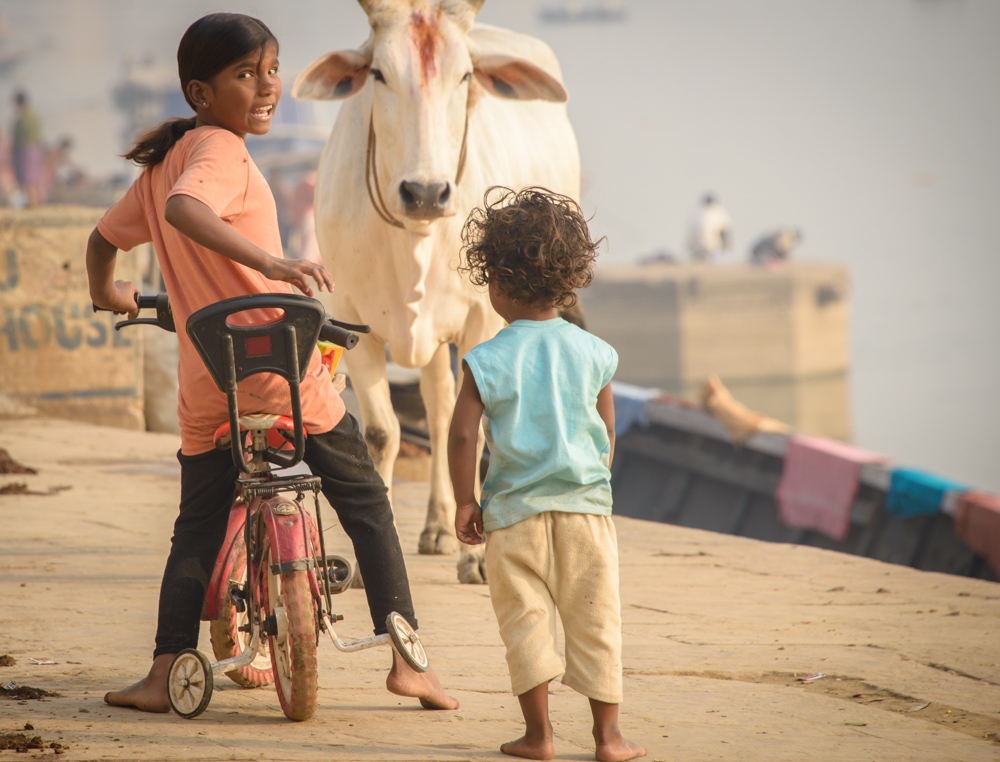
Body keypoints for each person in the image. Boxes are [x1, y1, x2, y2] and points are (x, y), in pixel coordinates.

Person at [85, 12, 456, 715]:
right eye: (244, 75)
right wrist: (272, 262)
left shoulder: (157, 170)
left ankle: (166, 669)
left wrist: (110, 294)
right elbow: (194, 210)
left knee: (195, 524)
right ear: (200, 93)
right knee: (367, 502)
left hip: (208, 382)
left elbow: (103, 242)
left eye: (272, 70)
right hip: (282, 371)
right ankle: (407, 660)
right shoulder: (219, 151)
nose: (267, 87)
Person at [448, 186, 646, 762]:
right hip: (587, 514)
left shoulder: (486, 359)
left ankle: (539, 738)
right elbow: (606, 435)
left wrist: (466, 501)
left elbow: (464, 436)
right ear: (569, 280)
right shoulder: (596, 353)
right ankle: (608, 739)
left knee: (526, 624)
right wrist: (591, 482)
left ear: (499, 284)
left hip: (513, 518)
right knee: (596, 622)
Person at [11, 90, 46, 206]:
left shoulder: (22, 117)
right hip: (36, 149)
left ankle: (33, 204)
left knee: (29, 180)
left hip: (26, 151)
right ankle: (40, 203)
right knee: (36, 179)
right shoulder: (34, 116)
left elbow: (19, 139)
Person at [686, 192, 733, 264]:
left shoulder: (695, 213)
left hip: (696, 251)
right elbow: (726, 232)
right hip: (711, 251)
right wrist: (726, 250)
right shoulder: (718, 212)